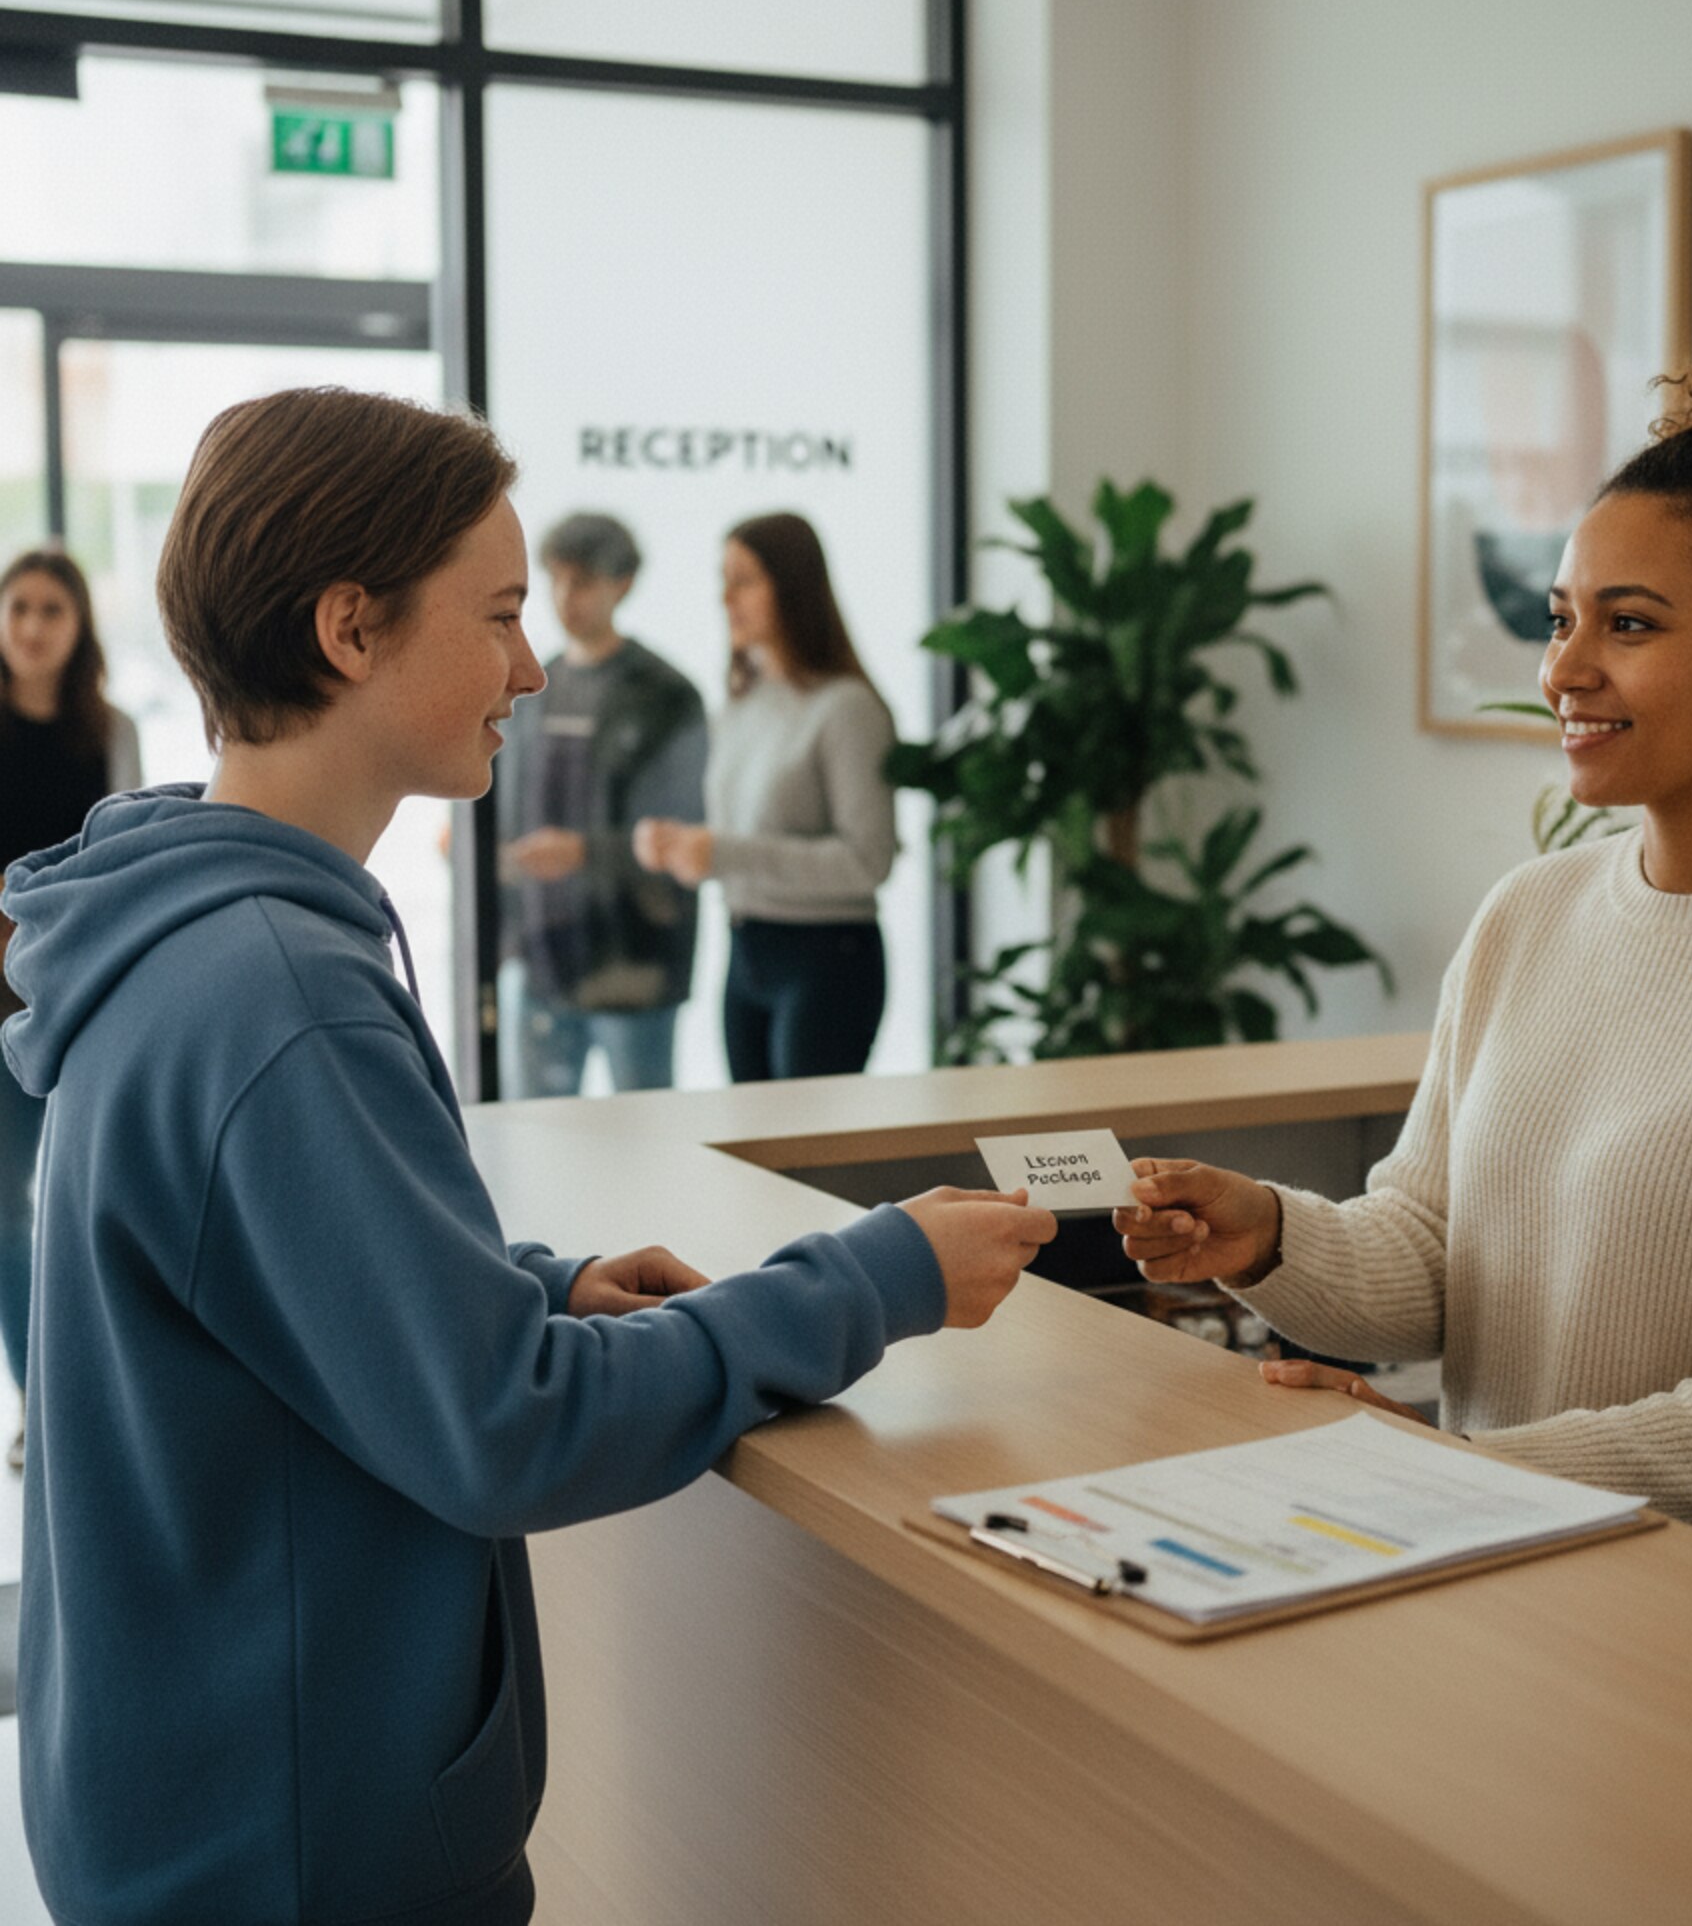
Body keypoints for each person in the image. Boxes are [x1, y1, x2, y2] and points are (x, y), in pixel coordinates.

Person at [0, 386, 1055, 1926]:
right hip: (294, 1859)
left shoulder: (183, 941)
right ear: (351, 628)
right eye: (495, 615)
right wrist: (881, 1274)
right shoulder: (279, 995)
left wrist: (533, 1285)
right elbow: (511, 1432)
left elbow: (264, 1287)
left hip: (198, 1814)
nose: (531, 665)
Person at [1114, 320, 1692, 1613]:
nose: (1562, 672)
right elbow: (1430, 1256)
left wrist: (1473, 1470)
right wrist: (1270, 1239)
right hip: (1518, 1596)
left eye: (1628, 624)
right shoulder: (1527, 915)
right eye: (1561, 618)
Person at [633, 511, 898, 1081]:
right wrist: (682, 846)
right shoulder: (739, 703)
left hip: (827, 961)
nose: (726, 597)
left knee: (808, 1153)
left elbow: (868, 861)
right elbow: (738, 832)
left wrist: (722, 853)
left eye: (745, 579)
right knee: (754, 1147)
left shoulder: (847, 709)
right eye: (723, 579)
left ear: (793, 587)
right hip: (746, 951)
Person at [0, 546, 141, 1473]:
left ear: (79, 624)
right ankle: (39, 1399)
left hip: (81, 994)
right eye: (18, 609)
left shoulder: (110, 728)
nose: (34, 626)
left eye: (53, 609)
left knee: (93, 1202)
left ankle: (98, 1392)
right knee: (10, 1213)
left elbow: (121, 858)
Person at [497, 511, 706, 1096]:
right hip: (542, 958)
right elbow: (508, 799)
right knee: (535, 1142)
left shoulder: (665, 694)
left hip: (632, 966)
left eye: (583, 581)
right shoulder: (533, 687)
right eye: (557, 580)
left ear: (622, 584)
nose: (567, 598)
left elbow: (686, 828)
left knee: (641, 1148)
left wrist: (583, 853)